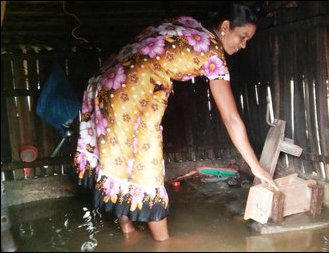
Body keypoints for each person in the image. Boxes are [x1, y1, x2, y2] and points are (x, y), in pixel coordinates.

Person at [73, 2, 279, 241]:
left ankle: (128, 232)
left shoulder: (189, 24)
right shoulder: (214, 53)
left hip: (105, 81)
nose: (243, 45)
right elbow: (231, 119)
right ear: (225, 27)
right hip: (131, 91)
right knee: (146, 166)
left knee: (120, 158)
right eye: (242, 37)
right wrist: (255, 167)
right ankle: (165, 244)